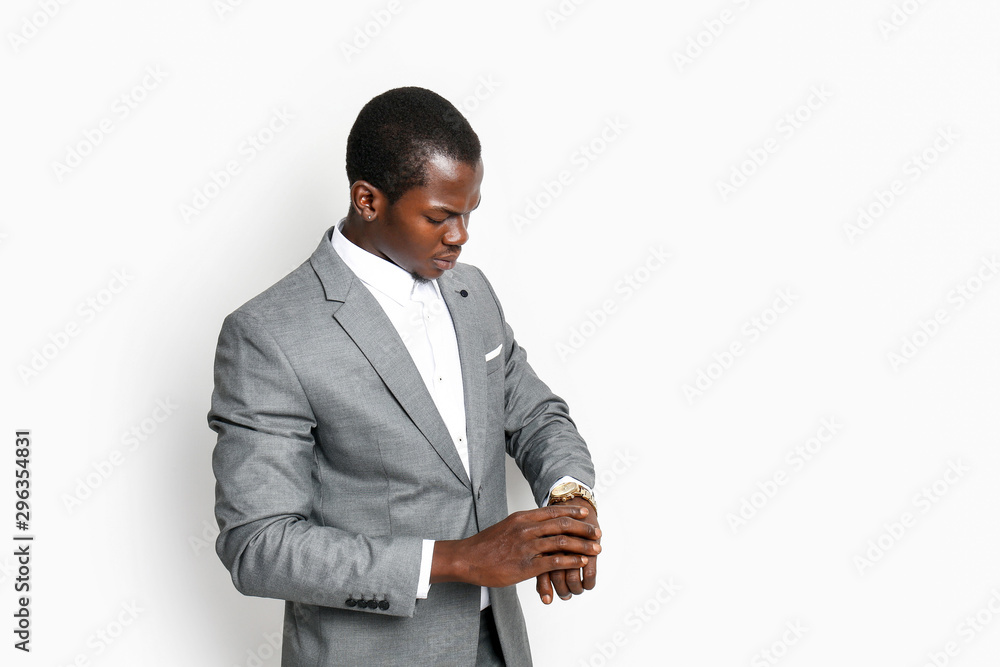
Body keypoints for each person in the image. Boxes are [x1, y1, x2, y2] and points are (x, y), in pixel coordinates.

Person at [209, 86, 601, 666]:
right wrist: (457, 559)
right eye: (439, 216)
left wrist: (569, 505)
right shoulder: (269, 335)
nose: (460, 235)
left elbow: (537, 415)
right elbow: (259, 546)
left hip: (499, 646)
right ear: (367, 200)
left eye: (469, 213)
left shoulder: (472, 294)